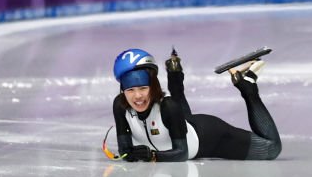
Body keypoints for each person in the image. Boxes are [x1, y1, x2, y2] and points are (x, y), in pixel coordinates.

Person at [109, 47, 282, 162]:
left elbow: (182, 153)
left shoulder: (168, 107)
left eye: (143, 88)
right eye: (130, 90)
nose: (137, 96)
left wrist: (153, 156)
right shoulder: (120, 105)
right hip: (181, 124)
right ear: (122, 90)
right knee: (179, 119)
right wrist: (129, 154)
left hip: (209, 137)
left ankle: (247, 86)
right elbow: (125, 150)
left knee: (272, 149)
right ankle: (174, 72)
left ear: (153, 86)